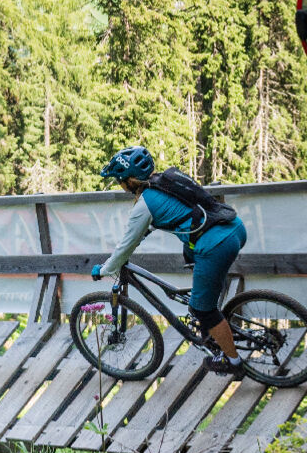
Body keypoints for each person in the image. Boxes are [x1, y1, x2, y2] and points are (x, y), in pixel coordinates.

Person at [86, 146, 250, 376]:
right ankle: (210, 322)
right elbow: (168, 217)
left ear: (129, 181)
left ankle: (232, 362)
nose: (120, 186)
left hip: (216, 244)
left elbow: (125, 246)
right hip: (233, 227)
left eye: (120, 181)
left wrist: (105, 269)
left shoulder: (145, 204)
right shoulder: (164, 182)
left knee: (203, 310)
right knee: (194, 265)